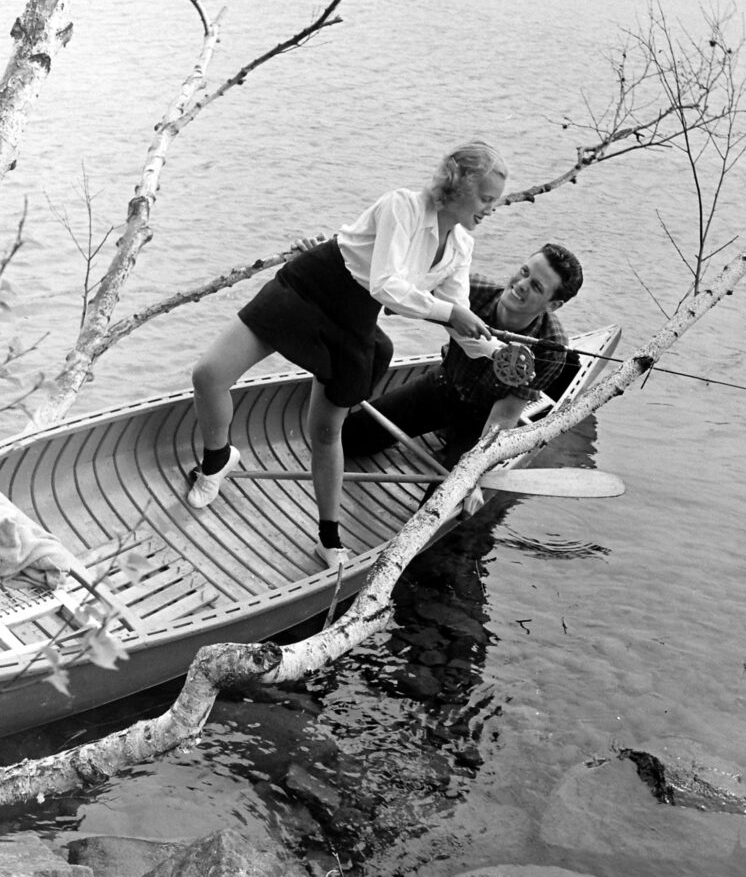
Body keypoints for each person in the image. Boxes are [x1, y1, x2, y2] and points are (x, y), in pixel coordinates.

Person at [187, 141, 508, 570]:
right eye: (486, 198)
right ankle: (217, 459)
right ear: (460, 185)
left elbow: (460, 321)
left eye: (494, 202)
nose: (490, 209)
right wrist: (454, 313)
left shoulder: (459, 248)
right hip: (312, 286)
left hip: (354, 320)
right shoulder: (402, 206)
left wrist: (501, 355)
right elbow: (387, 286)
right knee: (208, 375)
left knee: (324, 433)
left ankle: (328, 536)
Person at [341, 242, 584, 507]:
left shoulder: (551, 346)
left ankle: (455, 459)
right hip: (441, 386)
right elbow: (400, 293)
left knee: (439, 505)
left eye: (536, 286)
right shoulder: (470, 291)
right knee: (347, 437)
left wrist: (476, 473)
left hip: (481, 421)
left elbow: (504, 416)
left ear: (554, 305)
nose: (522, 284)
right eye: (524, 272)